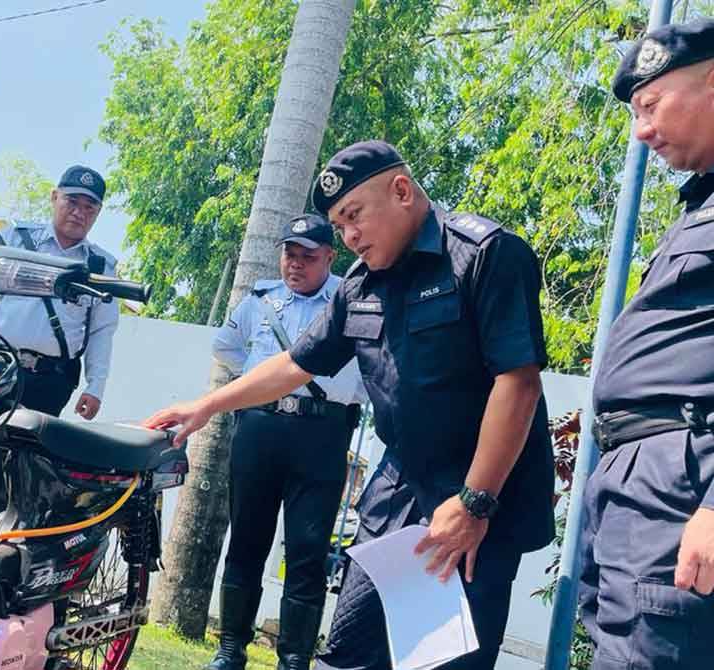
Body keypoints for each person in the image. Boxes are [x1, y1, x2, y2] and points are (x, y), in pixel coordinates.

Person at [145, 141, 554, 670]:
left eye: (354, 216)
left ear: (401, 191)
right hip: (399, 487)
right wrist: (206, 406)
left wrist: (475, 502)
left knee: (448, 662)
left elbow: (518, 384)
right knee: (349, 655)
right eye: (339, 226)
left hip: (481, 492)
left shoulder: (485, 255)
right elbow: (297, 364)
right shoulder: (359, 285)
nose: (349, 235)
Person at [578, 19, 714, 669]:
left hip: (681, 484)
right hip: (638, 483)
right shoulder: (700, 207)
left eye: (650, 106)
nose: (641, 131)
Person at [205, 213, 366, 670]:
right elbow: (226, 347)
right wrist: (257, 385)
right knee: (247, 539)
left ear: (330, 258)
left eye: (307, 257)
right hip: (260, 429)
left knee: (308, 548)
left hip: (322, 433)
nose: (295, 265)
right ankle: (231, 648)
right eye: (289, 255)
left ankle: (293, 659)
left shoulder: (350, 300)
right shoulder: (260, 299)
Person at [0, 164, 119, 514]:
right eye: (72, 201)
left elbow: (101, 331)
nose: (79, 212)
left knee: (16, 470)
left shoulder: (100, 267)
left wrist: (96, 385)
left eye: (89, 207)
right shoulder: (15, 238)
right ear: (54, 198)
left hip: (47, 380)